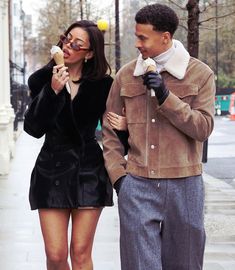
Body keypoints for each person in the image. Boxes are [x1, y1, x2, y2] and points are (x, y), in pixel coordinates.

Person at [102, 4, 215, 270]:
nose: (137, 43)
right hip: (137, 184)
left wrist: (166, 95)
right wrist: (120, 179)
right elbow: (108, 130)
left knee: (185, 264)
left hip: (185, 185)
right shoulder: (126, 76)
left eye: (143, 37)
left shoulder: (200, 73)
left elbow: (203, 127)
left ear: (165, 37)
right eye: (136, 36)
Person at [24, 20, 113, 270]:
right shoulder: (41, 80)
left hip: (88, 170)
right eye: (66, 39)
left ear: (90, 53)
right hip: (51, 168)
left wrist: (123, 124)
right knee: (55, 255)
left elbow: (113, 130)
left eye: (77, 44)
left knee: (81, 254)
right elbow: (32, 129)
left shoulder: (103, 85)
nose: (68, 46)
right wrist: (52, 92)